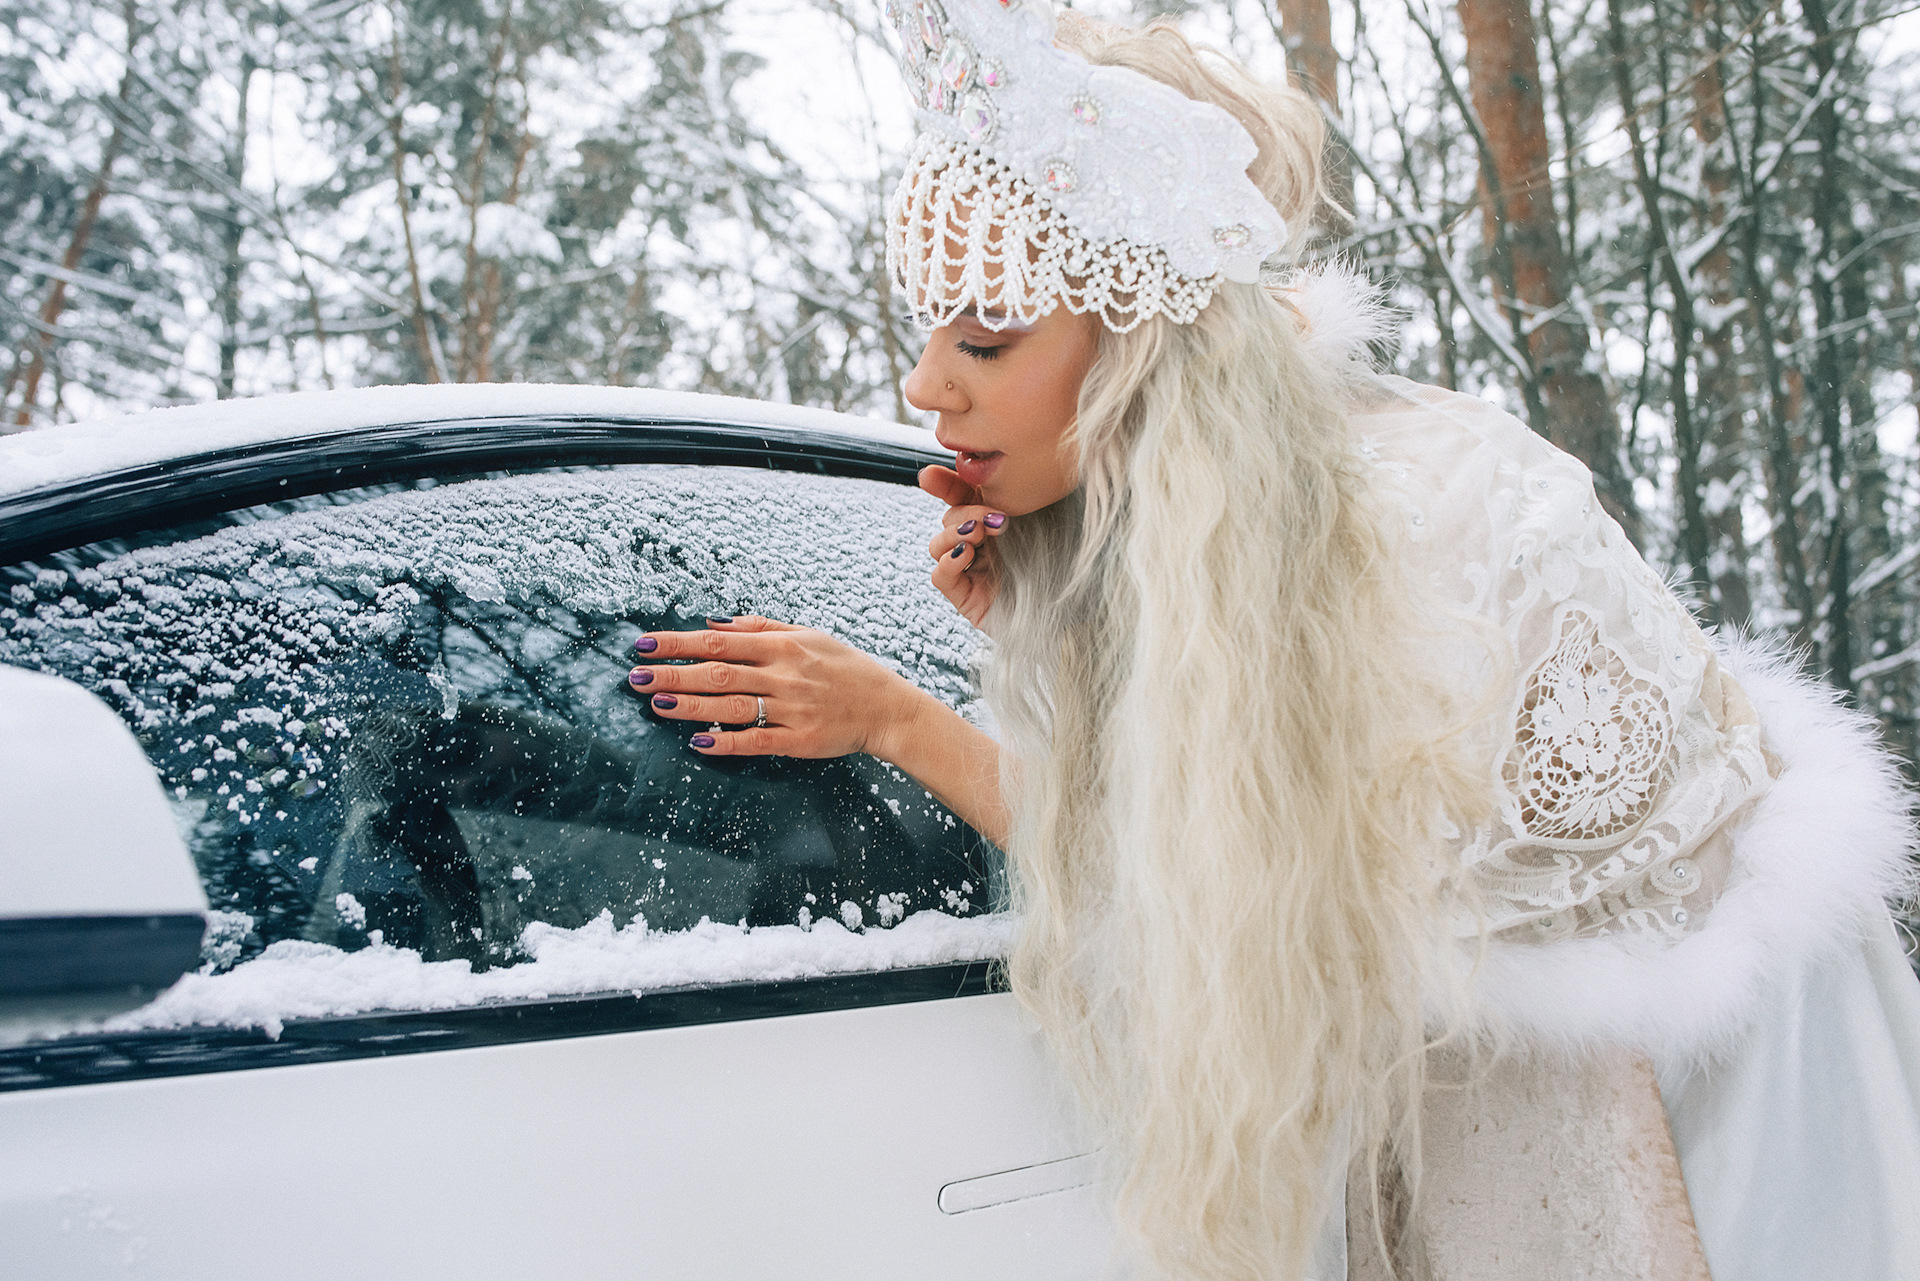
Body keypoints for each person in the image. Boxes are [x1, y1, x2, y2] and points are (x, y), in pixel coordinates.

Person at [625, 4, 1920, 1278]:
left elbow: (1217, 899)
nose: (925, 384)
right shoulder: (1204, 526)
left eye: (986, 334)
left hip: (1679, 1124)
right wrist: (1056, 621)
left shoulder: (1419, 515)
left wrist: (898, 720)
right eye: (927, 327)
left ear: (1145, 346)